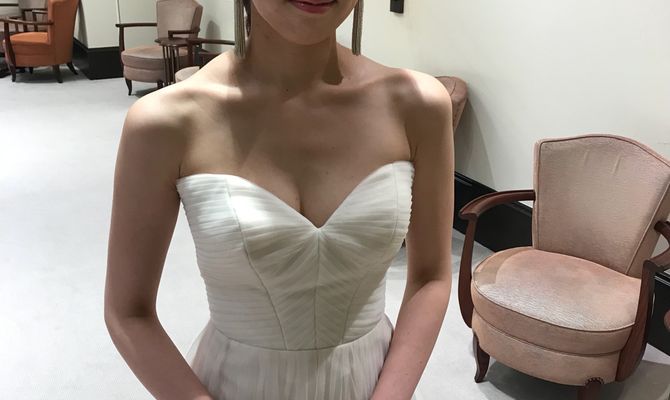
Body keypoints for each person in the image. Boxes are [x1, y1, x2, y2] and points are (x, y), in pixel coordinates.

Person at [104, 0, 454, 399]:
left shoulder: (417, 105)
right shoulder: (166, 121)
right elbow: (128, 312)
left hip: (371, 382)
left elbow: (430, 277)